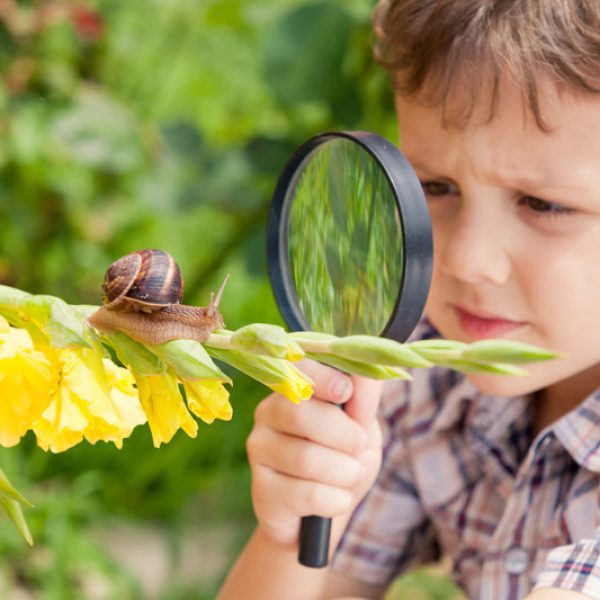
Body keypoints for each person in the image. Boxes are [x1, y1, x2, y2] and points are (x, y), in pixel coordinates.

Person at [218, 0, 600, 598]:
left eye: (544, 204)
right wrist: (293, 531)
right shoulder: (423, 383)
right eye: (436, 187)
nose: (465, 259)